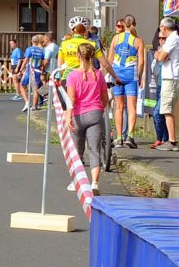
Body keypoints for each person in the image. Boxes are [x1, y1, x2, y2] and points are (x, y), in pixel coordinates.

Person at [64, 43, 109, 195]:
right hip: (95, 113)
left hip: (78, 115)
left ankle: (76, 181)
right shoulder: (99, 75)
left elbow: (71, 98)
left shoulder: (72, 76)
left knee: (77, 151)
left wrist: (68, 116)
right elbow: (105, 98)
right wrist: (99, 110)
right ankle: (95, 183)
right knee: (94, 150)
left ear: (78, 56)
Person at [109, 14, 144, 148]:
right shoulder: (138, 40)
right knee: (132, 107)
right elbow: (141, 63)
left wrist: (110, 75)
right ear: (135, 24)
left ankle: (118, 138)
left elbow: (110, 60)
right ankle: (130, 136)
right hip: (131, 75)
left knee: (118, 107)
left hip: (117, 75)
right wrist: (140, 77)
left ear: (123, 24)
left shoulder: (116, 38)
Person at [58, 17, 120, 83]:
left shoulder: (64, 44)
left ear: (71, 30)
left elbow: (60, 66)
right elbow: (106, 65)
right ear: (85, 30)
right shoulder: (92, 44)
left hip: (68, 78)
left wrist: (62, 76)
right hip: (87, 78)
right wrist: (115, 77)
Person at [153, 17, 179, 152]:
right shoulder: (173, 39)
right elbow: (161, 56)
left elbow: (160, 57)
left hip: (171, 78)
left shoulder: (172, 39)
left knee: (167, 110)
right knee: (165, 109)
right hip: (169, 77)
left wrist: (159, 54)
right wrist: (160, 55)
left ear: (164, 28)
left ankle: (172, 141)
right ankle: (170, 140)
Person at [18, 34, 45, 111]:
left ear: (32, 41)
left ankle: (27, 102)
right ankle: (34, 106)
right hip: (37, 71)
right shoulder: (41, 51)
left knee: (22, 85)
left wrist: (21, 70)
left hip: (30, 69)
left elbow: (26, 60)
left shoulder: (29, 49)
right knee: (35, 88)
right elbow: (42, 62)